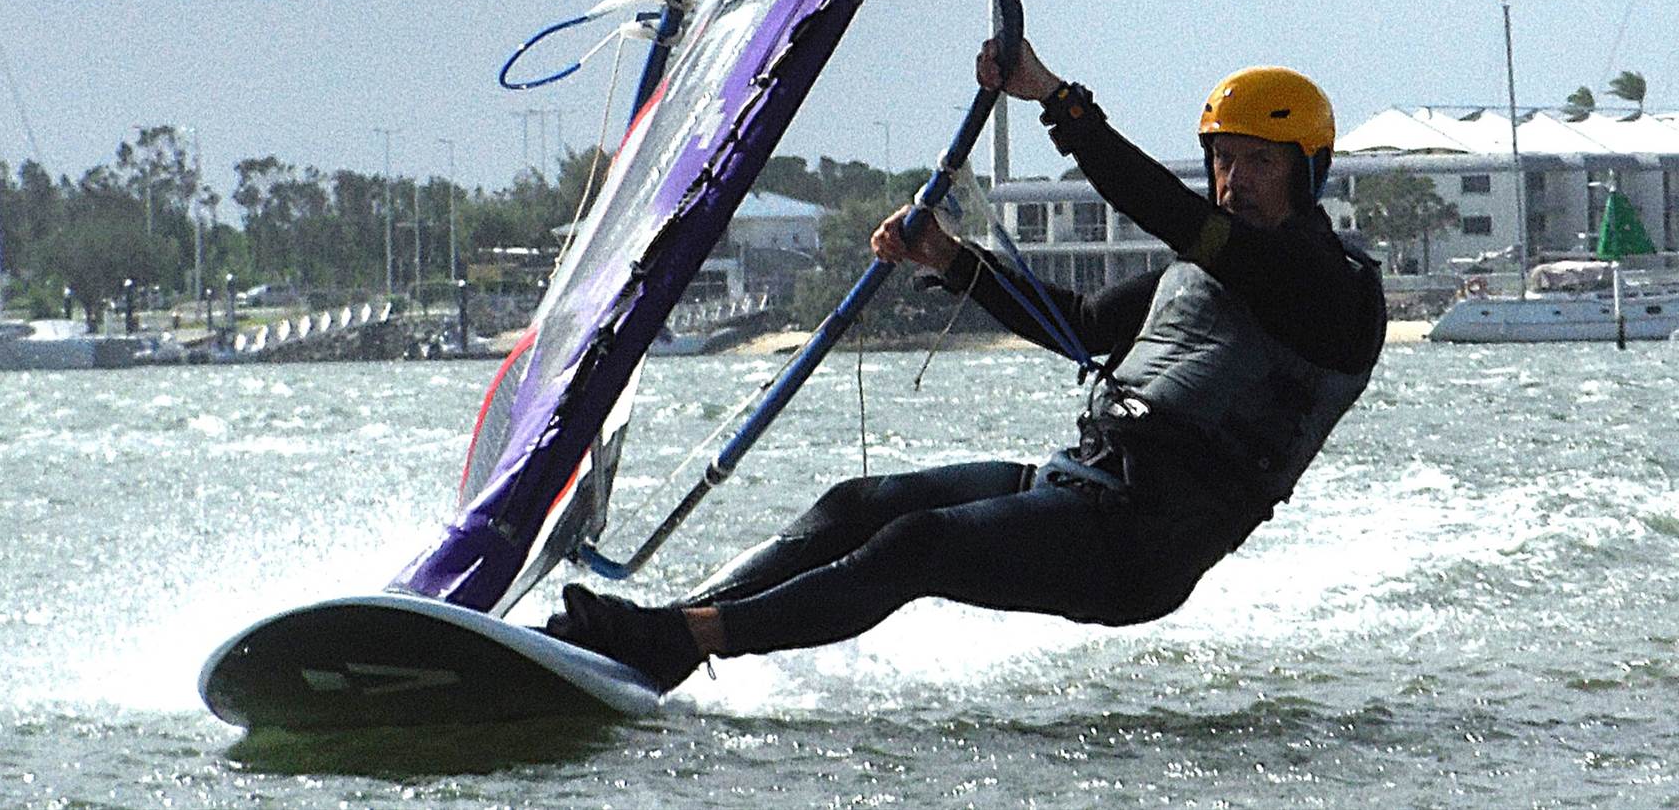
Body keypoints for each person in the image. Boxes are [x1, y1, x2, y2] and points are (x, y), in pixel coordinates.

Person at [542, 40, 1387, 693]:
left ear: (1307, 172)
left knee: (918, 547)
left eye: (1260, 162)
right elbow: (1081, 324)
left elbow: (1159, 206)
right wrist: (949, 258)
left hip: (1143, 543)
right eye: (1224, 158)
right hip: (1083, 482)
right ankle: (661, 633)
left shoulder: (1329, 288)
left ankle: (679, 641)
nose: (1234, 180)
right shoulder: (1204, 266)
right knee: (861, 503)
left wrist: (1055, 99)